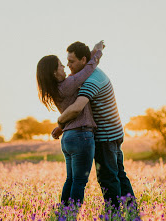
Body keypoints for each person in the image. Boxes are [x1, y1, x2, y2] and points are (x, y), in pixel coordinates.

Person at [52, 41, 135, 209]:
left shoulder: (91, 81)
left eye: (71, 61)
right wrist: (97, 50)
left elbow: (76, 109)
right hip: (114, 132)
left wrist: (60, 122)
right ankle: (131, 208)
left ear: (83, 60)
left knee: (107, 177)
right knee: (118, 173)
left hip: (106, 136)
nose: (68, 65)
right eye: (66, 61)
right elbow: (91, 58)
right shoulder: (90, 71)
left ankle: (113, 213)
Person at [36, 41, 105, 206]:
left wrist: (60, 127)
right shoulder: (68, 84)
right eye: (61, 65)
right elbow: (89, 68)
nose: (65, 67)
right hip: (81, 136)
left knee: (71, 179)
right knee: (79, 181)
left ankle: (64, 214)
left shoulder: (57, 89)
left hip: (68, 138)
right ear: (54, 72)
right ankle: (72, 214)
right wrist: (97, 52)